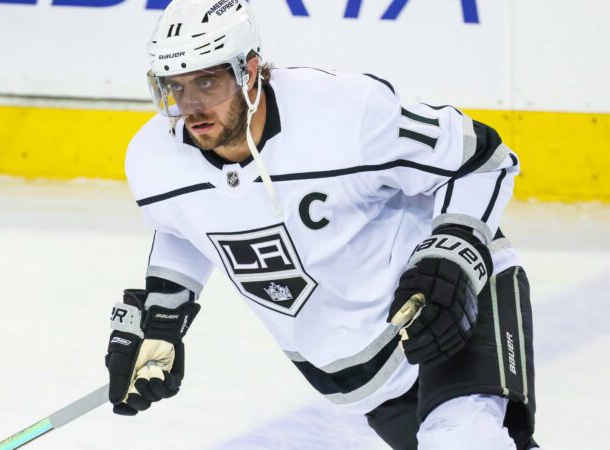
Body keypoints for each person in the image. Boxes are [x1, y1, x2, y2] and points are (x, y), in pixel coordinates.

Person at [104, 0, 538, 448]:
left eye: (207, 82)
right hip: (370, 375)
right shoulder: (155, 158)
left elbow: (480, 158)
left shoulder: (343, 113)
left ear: (249, 71)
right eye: (174, 86)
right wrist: (163, 316)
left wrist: (452, 257)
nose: (191, 106)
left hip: (451, 300)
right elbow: (183, 224)